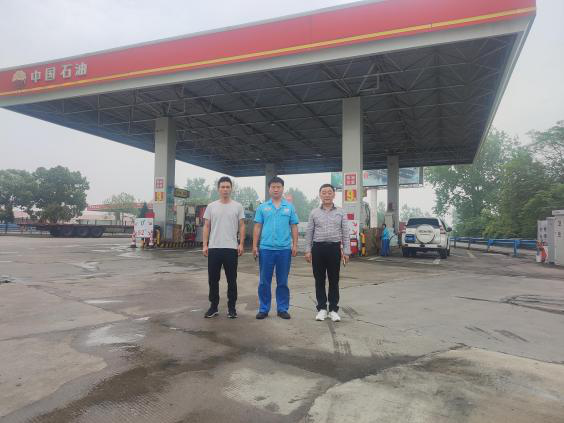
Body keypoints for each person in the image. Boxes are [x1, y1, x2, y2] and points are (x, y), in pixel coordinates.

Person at [253, 176, 299, 320]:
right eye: (273, 187)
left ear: (282, 188)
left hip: (284, 249)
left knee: (282, 281)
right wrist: (254, 246)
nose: (276, 189)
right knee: (264, 281)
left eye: (278, 187)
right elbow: (257, 226)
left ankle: (282, 309)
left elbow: (294, 226)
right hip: (266, 249)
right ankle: (263, 309)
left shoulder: (289, 207)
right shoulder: (262, 207)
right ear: (269, 189)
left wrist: (295, 245)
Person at [305, 184, 350, 322]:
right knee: (319, 279)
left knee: (334, 280)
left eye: (329, 192)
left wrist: (346, 251)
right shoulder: (314, 212)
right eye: (324, 192)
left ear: (334, 195)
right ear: (320, 195)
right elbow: (309, 232)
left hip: (334, 249)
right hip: (318, 249)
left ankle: (333, 309)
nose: (327, 195)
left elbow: (345, 232)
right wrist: (308, 250)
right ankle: (322, 309)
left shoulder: (341, 212)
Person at [202, 176, 245, 319]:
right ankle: (213, 307)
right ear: (218, 189)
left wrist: (241, 243)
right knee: (213, 280)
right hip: (214, 248)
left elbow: (242, 226)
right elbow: (206, 226)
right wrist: (205, 245)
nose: (225, 189)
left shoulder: (237, 206)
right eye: (222, 187)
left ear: (231, 189)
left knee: (232, 280)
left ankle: (232, 308)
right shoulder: (211, 206)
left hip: (231, 249)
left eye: (228, 187)